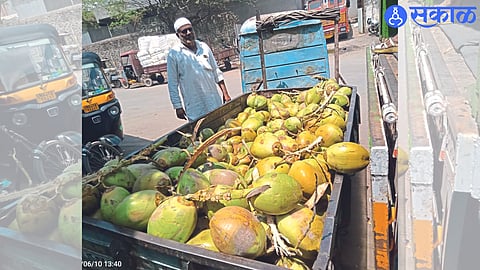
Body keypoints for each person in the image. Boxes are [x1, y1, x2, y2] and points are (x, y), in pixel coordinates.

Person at [167, 17, 232, 122]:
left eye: (190, 29)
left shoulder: (204, 47)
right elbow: (172, 83)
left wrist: (225, 93)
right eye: (184, 31)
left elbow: (216, 71)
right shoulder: (174, 54)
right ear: (177, 35)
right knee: (201, 134)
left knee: (220, 127)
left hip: (213, 101)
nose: (188, 33)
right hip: (195, 106)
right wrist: (177, 106)